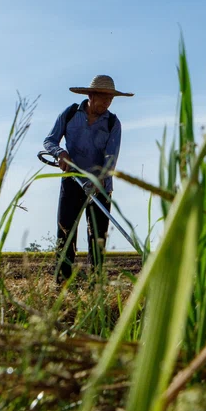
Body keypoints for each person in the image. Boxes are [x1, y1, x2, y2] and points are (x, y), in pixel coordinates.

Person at [43, 75, 133, 283]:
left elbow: (111, 157)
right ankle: (62, 282)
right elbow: (49, 140)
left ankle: (96, 284)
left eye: (110, 99)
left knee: (97, 237)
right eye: (103, 98)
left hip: (100, 187)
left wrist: (98, 179)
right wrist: (60, 153)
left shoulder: (112, 123)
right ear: (91, 95)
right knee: (65, 232)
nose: (107, 103)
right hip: (72, 182)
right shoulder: (70, 114)